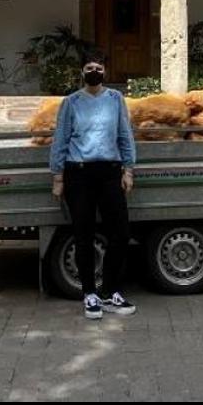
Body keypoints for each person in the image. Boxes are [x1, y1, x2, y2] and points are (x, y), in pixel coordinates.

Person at [49, 52, 137, 319]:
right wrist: (58, 177)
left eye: (98, 68)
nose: (94, 71)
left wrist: (128, 169)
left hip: (111, 172)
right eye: (90, 68)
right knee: (83, 235)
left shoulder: (115, 99)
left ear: (105, 73)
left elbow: (125, 134)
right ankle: (89, 294)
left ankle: (111, 292)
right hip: (80, 174)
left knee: (120, 233)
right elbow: (61, 139)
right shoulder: (71, 102)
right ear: (82, 72)